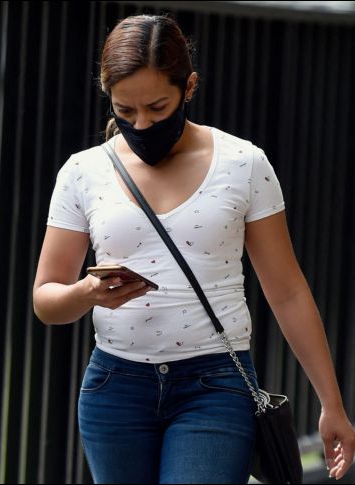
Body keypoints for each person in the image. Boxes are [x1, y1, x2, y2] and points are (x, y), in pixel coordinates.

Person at [32, 14, 355, 484]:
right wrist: (87, 293)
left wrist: (332, 403)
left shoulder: (243, 164)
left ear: (189, 86)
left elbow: (287, 291)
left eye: (157, 107)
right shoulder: (82, 172)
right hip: (115, 388)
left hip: (215, 385)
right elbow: (46, 300)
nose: (142, 124)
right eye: (125, 111)